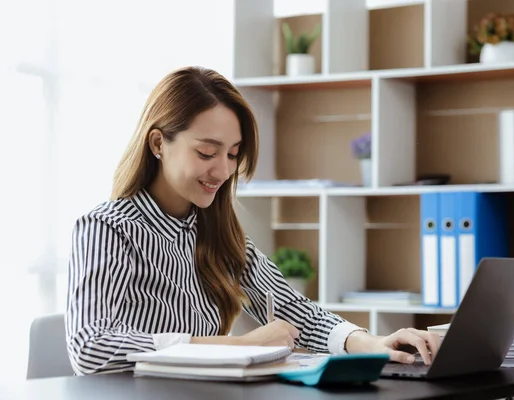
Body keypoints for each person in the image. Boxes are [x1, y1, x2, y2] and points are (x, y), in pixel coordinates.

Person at [64, 66, 440, 376]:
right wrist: (237, 346)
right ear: (159, 143)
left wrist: (371, 344)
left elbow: (297, 312)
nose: (223, 170)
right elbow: (91, 347)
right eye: (207, 152)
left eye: (232, 154)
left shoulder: (216, 233)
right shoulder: (107, 228)